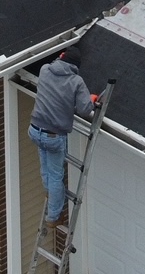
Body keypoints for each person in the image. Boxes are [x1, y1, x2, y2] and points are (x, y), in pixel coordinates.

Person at [29, 53, 96, 229]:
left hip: (35, 129)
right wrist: (91, 100)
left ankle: (50, 195)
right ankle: (53, 217)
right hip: (53, 135)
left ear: (61, 57)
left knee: (45, 167)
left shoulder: (44, 70)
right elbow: (84, 110)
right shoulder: (76, 81)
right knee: (56, 176)